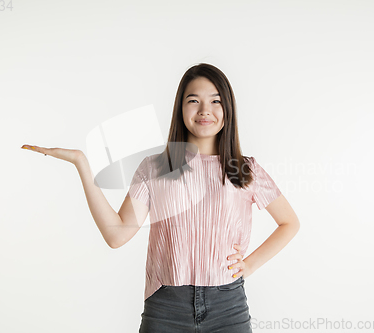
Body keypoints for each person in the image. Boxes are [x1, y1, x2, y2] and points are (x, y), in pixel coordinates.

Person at [21, 63, 300, 332]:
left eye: (215, 101)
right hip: (166, 306)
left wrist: (248, 265)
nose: (205, 110)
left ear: (228, 108)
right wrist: (81, 163)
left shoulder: (244, 168)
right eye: (194, 100)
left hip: (227, 306)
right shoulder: (157, 167)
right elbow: (116, 235)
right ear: (180, 107)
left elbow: (289, 223)